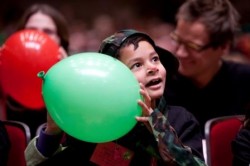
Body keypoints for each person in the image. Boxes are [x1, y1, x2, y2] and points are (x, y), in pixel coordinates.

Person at [25, 29, 206, 166]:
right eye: (137, 64)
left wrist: (158, 128)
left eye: (155, 59)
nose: (152, 68)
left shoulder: (181, 119)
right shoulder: (94, 122)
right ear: (113, 80)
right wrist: (52, 132)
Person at [164, 0, 250, 135]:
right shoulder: (162, 83)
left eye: (193, 46)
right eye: (177, 39)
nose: (180, 53)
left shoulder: (245, 81)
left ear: (224, 47)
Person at [2, 3, 69, 138]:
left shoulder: (75, 79)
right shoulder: (3, 73)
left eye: (48, 31)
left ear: (60, 40)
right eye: (32, 30)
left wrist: (69, 80)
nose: (39, 37)